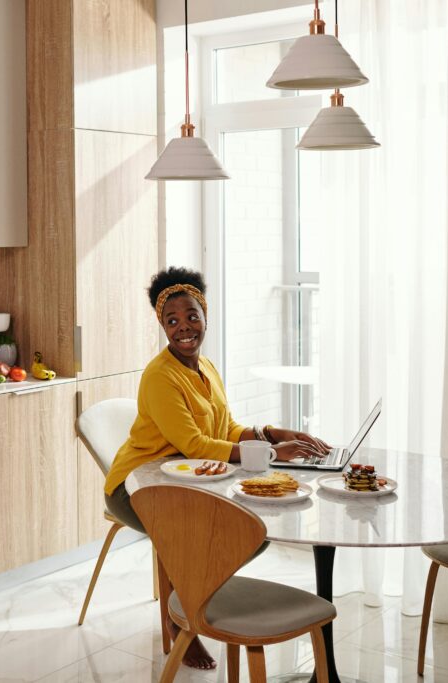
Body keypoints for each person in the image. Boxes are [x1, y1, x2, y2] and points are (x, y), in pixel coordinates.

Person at [104, 266, 331, 670]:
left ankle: (191, 600)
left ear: (206, 316)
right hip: (138, 485)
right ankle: (186, 621)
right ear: (162, 325)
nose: (183, 328)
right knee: (196, 535)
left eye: (192, 316)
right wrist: (275, 453)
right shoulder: (160, 376)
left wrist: (272, 432)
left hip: (188, 478)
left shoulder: (205, 367)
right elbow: (195, 445)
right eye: (171, 321)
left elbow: (225, 429)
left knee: (252, 531)